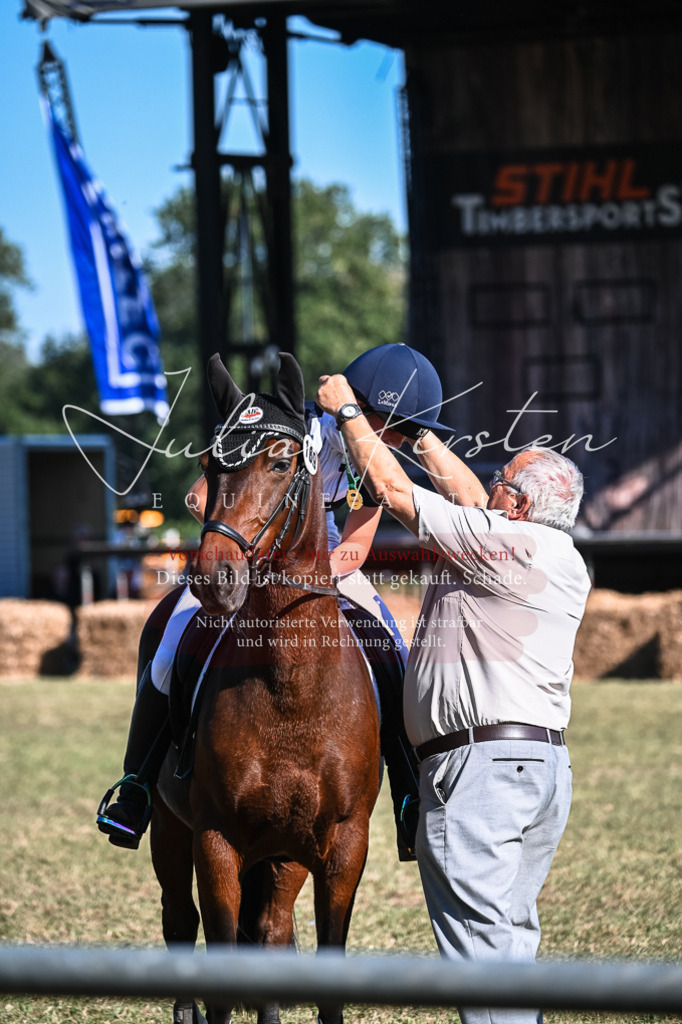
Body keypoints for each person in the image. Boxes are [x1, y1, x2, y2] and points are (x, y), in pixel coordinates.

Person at [97, 343, 450, 860]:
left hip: (328, 570)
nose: (395, 441)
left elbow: (354, 545)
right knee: (171, 636)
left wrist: (306, 576)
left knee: (389, 646)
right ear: (363, 406)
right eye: (394, 425)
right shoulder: (286, 429)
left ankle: (406, 794)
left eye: (406, 433)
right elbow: (199, 497)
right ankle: (136, 786)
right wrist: (242, 548)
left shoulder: (367, 459)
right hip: (246, 558)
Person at [315, 370, 591, 1024]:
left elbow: (390, 490)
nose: (488, 484)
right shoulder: (553, 552)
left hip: (482, 777)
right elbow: (471, 497)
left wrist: (348, 409)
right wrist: (420, 434)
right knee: (508, 943)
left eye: (502, 478)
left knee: (478, 960)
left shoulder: (504, 545)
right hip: (542, 771)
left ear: (518, 505)